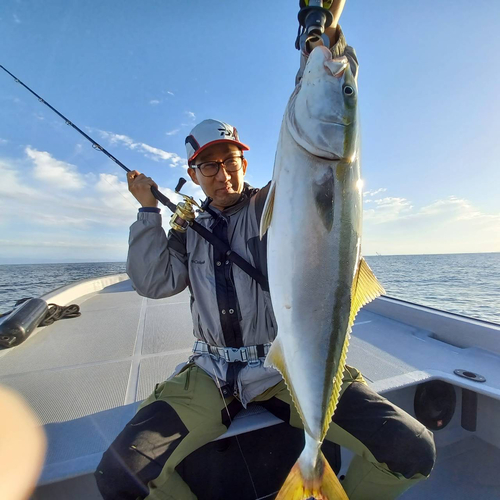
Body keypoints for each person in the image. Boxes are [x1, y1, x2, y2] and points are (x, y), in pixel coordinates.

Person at [94, 2, 436, 499]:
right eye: (208, 167)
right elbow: (153, 282)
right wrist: (148, 212)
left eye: (230, 161)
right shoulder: (188, 227)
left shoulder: (275, 203)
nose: (222, 174)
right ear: (193, 174)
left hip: (286, 367)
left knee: (413, 449)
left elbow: (320, 128)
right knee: (118, 474)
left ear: (244, 159)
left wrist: (318, 38)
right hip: (212, 372)